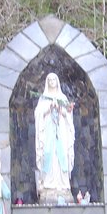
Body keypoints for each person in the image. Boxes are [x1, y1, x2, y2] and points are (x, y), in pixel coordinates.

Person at [34, 72, 75, 203]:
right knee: (48, 154)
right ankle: (48, 185)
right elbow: (38, 114)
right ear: (47, 82)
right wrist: (48, 109)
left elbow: (68, 116)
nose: (52, 82)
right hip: (48, 132)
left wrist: (61, 109)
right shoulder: (43, 98)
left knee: (61, 155)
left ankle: (63, 186)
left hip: (60, 132)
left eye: (54, 79)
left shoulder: (62, 97)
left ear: (57, 81)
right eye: (49, 80)